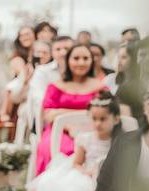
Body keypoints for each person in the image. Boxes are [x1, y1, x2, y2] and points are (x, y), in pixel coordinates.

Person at [30, 90, 121, 191]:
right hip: (86, 175)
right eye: (94, 119)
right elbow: (77, 164)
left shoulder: (119, 141)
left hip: (109, 178)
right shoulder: (86, 139)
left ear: (116, 119)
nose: (98, 123)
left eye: (103, 119)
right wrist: (87, 171)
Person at [34, 43, 107, 175]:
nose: (81, 62)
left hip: (94, 130)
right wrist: (70, 126)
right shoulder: (55, 86)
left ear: (91, 61)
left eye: (85, 58)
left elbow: (106, 112)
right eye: (76, 58)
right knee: (55, 149)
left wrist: (62, 112)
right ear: (68, 60)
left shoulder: (100, 87)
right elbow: (49, 115)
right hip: (59, 131)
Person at [27, 36, 74, 132]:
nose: (63, 53)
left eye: (67, 49)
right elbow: (39, 97)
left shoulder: (80, 72)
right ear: (52, 53)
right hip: (49, 121)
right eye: (58, 49)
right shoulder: (42, 71)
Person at [0, 25, 36, 122]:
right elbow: (23, 77)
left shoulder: (41, 52)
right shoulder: (17, 58)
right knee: (11, 88)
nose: (25, 37)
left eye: (27, 34)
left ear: (35, 35)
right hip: (21, 88)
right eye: (22, 35)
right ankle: (5, 114)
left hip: (35, 86)